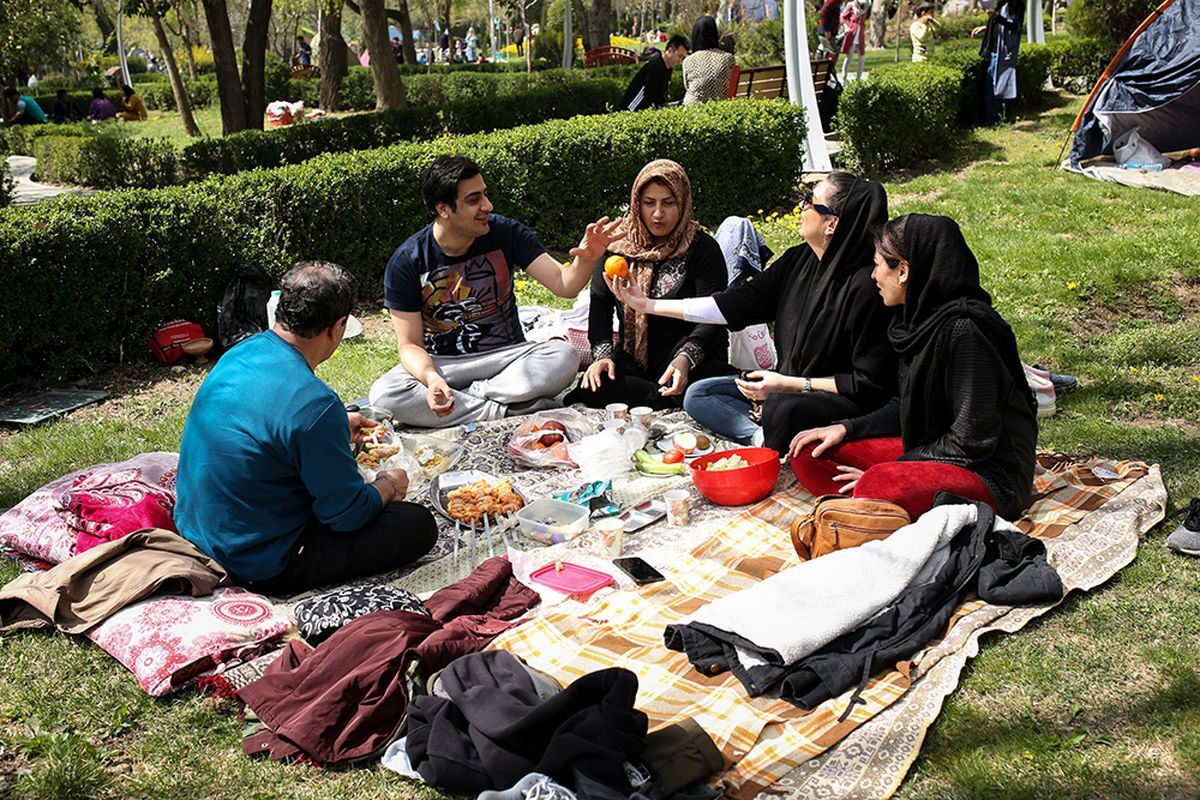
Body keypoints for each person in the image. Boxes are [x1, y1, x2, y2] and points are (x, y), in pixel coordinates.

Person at [175, 261, 438, 593]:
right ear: (338, 326)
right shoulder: (315, 405)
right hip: (257, 561)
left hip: (197, 530)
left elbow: (270, 426)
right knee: (416, 524)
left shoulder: (239, 353)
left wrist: (335, 428)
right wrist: (388, 484)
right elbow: (346, 515)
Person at [610, 173, 896, 452]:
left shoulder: (867, 285)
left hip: (838, 398)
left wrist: (790, 385)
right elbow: (734, 303)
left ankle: (778, 433)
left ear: (831, 223)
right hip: (785, 386)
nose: (802, 206)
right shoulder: (799, 260)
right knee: (700, 393)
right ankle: (763, 437)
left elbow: (868, 385)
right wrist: (647, 305)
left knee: (786, 410)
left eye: (810, 200)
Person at [788, 214, 1038, 521]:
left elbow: (972, 440)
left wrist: (888, 470)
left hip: (987, 472)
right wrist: (846, 428)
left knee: (878, 484)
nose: (873, 276)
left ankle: (872, 506)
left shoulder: (966, 332)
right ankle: (872, 508)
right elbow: (904, 405)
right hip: (931, 449)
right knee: (810, 451)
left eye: (879, 264)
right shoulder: (916, 322)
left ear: (903, 270)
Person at [369, 155, 617, 427]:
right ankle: (506, 410)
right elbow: (409, 345)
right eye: (474, 200)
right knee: (385, 395)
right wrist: (431, 379)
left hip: (508, 359)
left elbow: (564, 284)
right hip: (447, 366)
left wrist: (587, 259)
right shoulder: (407, 261)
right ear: (443, 209)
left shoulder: (505, 233)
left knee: (564, 357)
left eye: (485, 195)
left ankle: (466, 402)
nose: (488, 205)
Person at [564, 160, 731, 411]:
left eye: (668, 203)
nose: (658, 214)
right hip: (635, 359)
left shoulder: (702, 249)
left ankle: (664, 394)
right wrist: (602, 358)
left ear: (683, 203)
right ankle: (666, 397)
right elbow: (600, 310)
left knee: (702, 383)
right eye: (649, 203)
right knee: (594, 386)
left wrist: (686, 358)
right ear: (637, 204)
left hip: (690, 352)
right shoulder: (616, 249)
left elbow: (712, 314)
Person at [973, 0, 1024, 124]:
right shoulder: (1002, 4)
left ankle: (993, 119)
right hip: (992, 50)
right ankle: (993, 117)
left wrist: (996, 17)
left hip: (1001, 52)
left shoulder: (1015, 5)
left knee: (995, 85)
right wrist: (985, 27)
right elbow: (999, 24)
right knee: (991, 85)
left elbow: (1014, 26)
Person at [621, 34, 688, 112]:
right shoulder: (654, 67)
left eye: (682, 57)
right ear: (669, 51)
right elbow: (646, 96)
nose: (680, 60)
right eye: (679, 56)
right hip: (632, 109)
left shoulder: (668, 68)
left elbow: (659, 95)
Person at [682, 16, 735, 105]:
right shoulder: (728, 58)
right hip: (721, 107)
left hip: (694, 109)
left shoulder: (688, 61)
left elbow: (687, 86)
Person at [839, 0, 869, 82]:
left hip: (860, 36)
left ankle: (858, 80)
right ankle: (843, 78)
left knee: (861, 59)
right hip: (852, 35)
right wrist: (846, 27)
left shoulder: (866, 6)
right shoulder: (851, 5)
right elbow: (842, 17)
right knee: (849, 58)